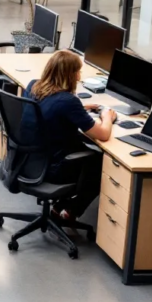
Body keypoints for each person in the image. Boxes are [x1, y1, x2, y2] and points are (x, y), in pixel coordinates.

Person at [22, 50, 115, 220]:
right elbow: (102, 134)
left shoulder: (33, 86)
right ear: (69, 75)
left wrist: (80, 110)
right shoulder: (68, 101)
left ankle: (59, 207)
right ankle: (72, 210)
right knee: (101, 163)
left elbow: (48, 109)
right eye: (77, 72)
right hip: (53, 168)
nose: (79, 77)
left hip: (28, 160)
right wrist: (107, 116)